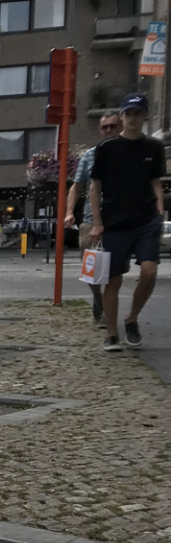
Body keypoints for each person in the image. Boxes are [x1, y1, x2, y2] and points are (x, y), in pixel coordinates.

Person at [88, 94, 165, 351]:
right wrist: (97, 222)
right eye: (128, 113)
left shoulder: (154, 148)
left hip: (146, 220)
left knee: (149, 271)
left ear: (144, 117)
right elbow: (95, 187)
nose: (133, 118)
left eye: (137, 113)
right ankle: (111, 334)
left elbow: (156, 181)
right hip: (115, 223)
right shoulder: (107, 148)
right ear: (122, 117)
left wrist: (160, 209)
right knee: (113, 279)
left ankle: (132, 318)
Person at [64, 111, 120, 324]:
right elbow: (76, 187)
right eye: (105, 127)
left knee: (114, 269)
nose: (108, 130)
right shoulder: (90, 156)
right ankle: (98, 297)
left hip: (118, 221)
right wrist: (69, 212)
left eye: (113, 126)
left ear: (120, 126)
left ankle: (107, 310)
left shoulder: (126, 154)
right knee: (91, 269)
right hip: (89, 220)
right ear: (100, 130)